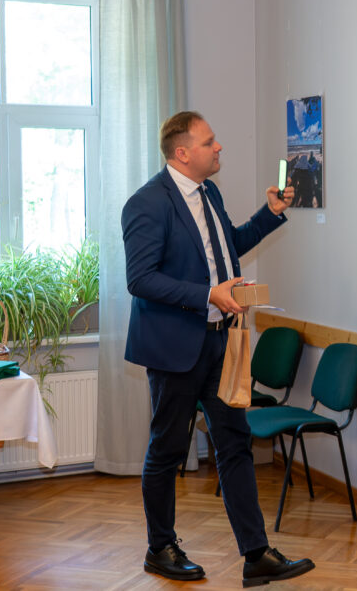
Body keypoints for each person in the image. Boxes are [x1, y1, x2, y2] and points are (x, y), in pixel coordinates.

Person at [121, 111, 314, 586]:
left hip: (221, 343)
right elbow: (140, 279)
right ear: (182, 152)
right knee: (167, 450)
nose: (219, 147)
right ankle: (160, 548)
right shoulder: (146, 203)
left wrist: (269, 214)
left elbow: (229, 247)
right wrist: (208, 294)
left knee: (234, 445)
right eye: (209, 142)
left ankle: (256, 554)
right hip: (174, 348)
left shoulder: (210, 193)